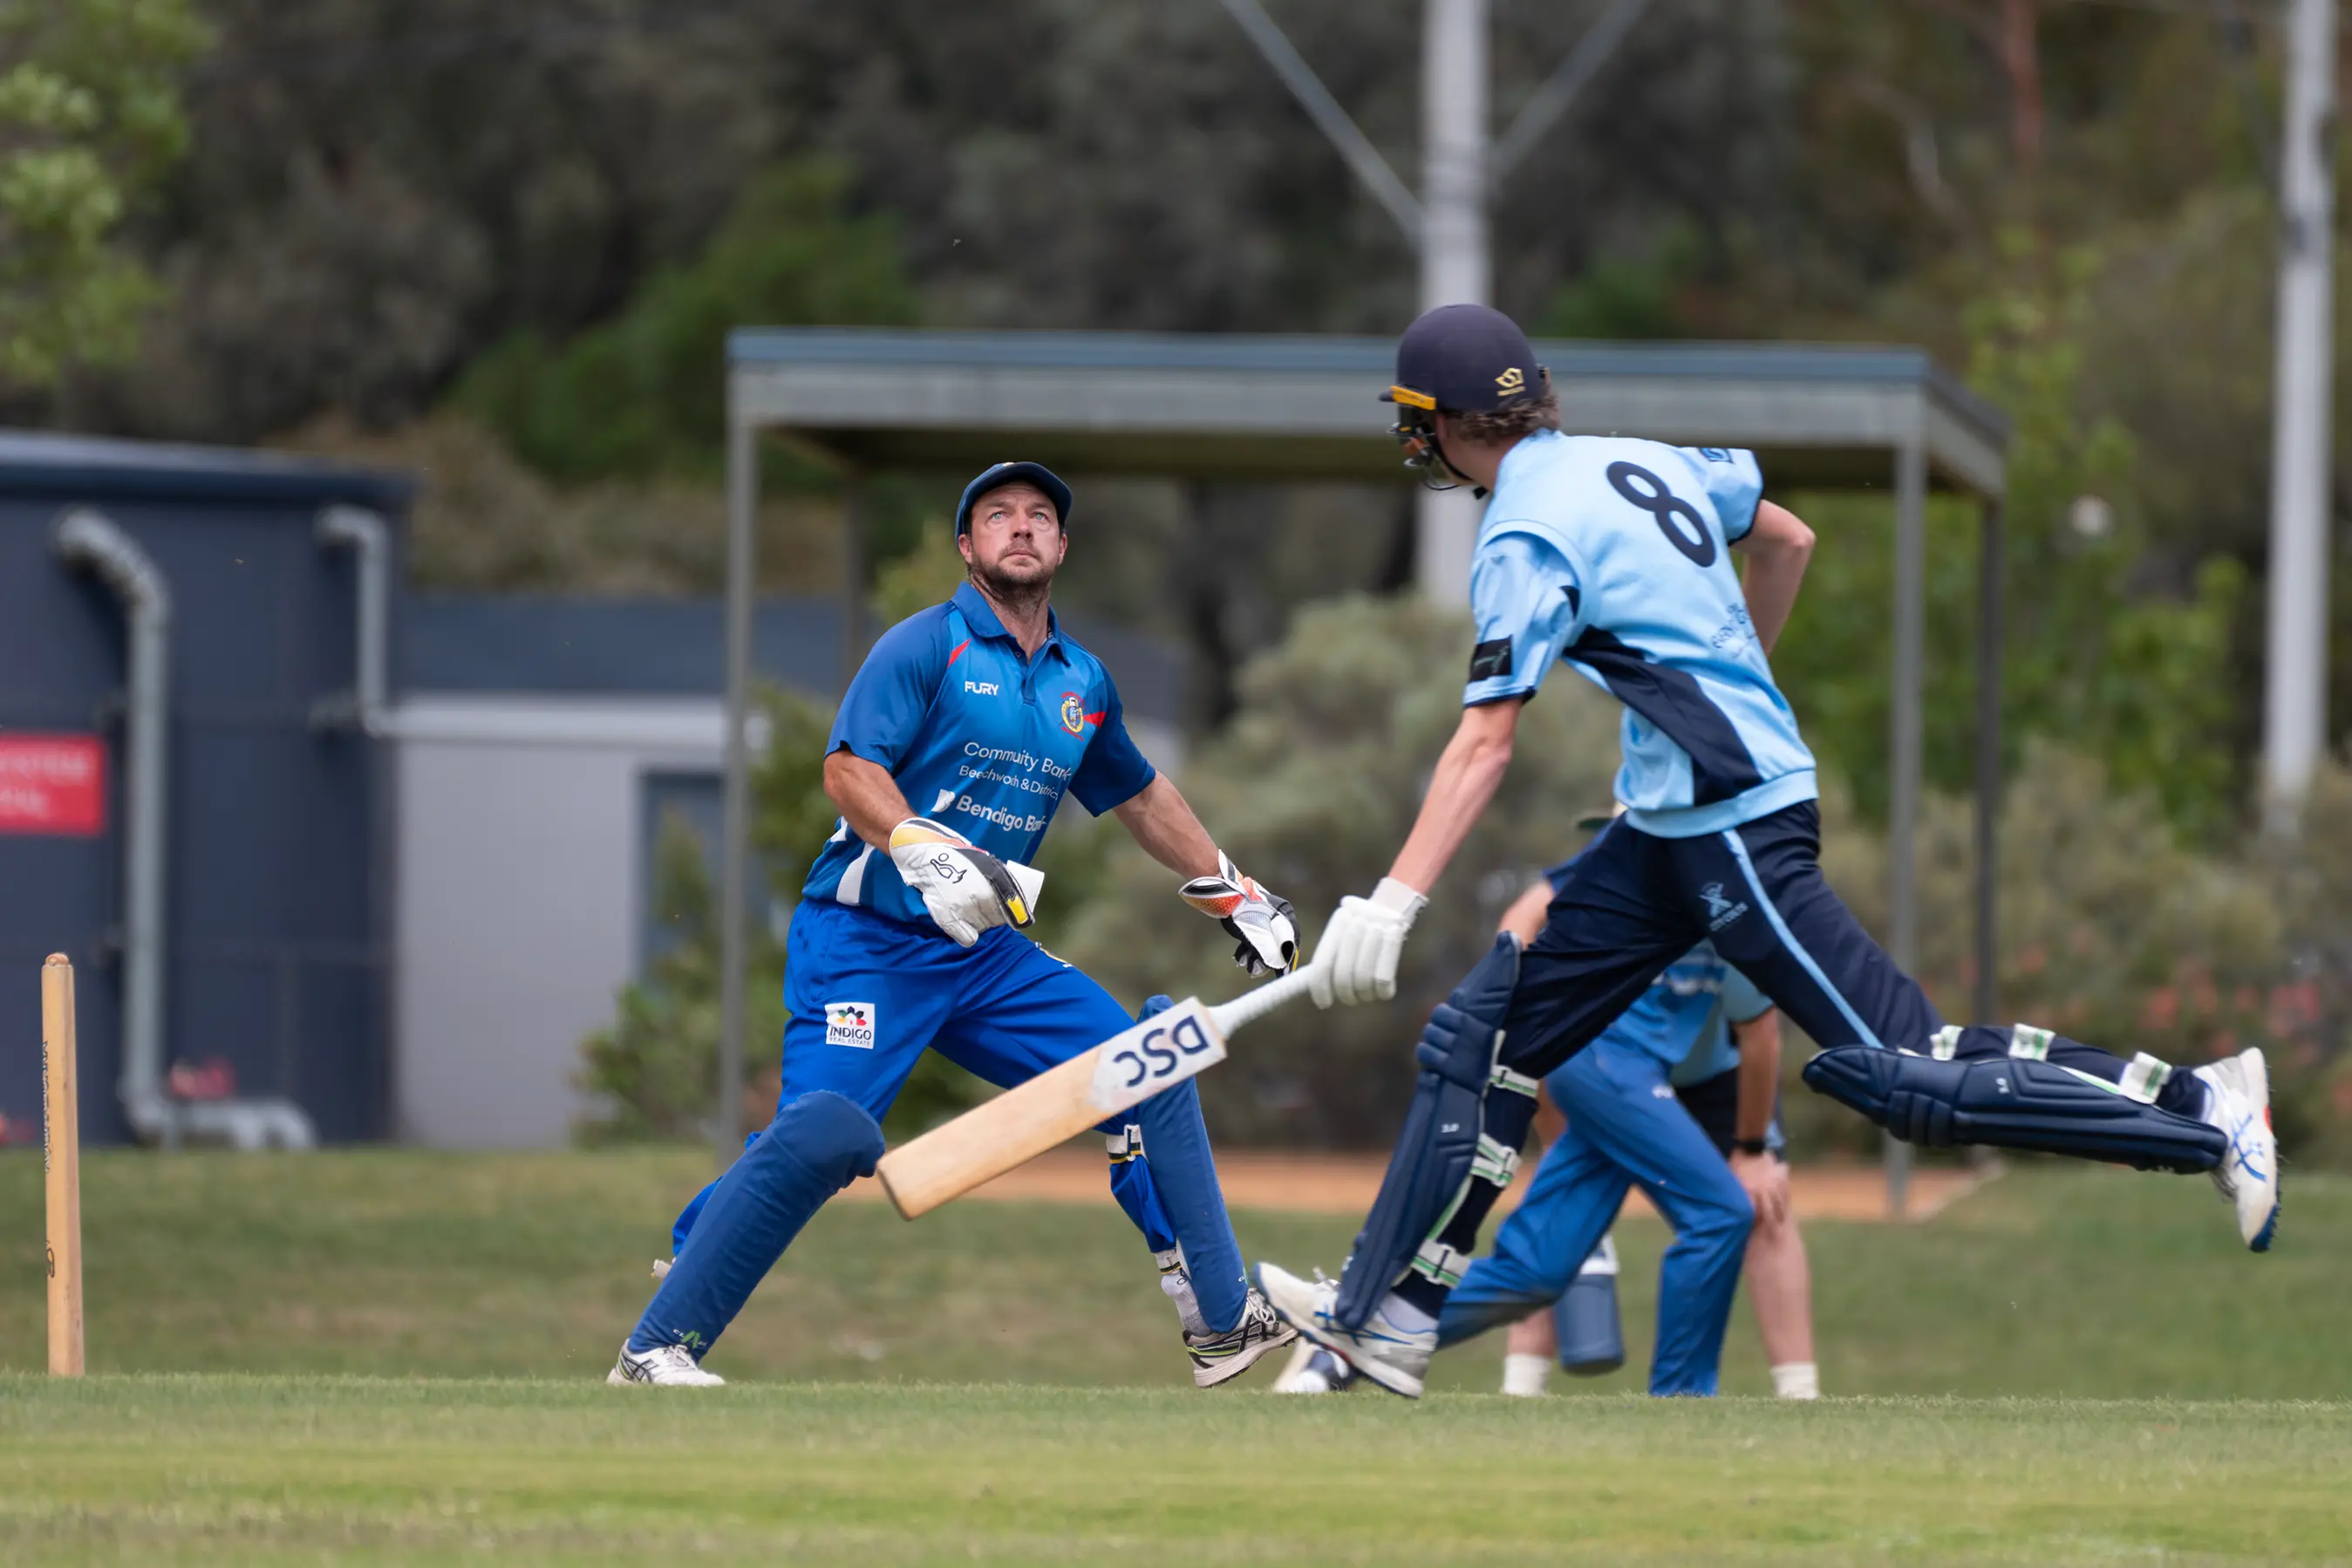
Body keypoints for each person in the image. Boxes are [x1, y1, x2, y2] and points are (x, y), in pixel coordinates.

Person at [1258, 304, 2281, 1400]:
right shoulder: (1640, 459)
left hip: (1732, 821)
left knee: (1902, 1068)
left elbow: (1486, 738)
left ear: (1445, 423)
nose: (1413, 439)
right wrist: (1722, 696)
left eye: (1416, 419)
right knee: (1486, 1037)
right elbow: (1787, 537)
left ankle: (2202, 1113)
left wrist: (1396, 897)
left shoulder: (1521, 532)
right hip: (1671, 824)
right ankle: (1389, 1311)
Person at [612, 460, 1300, 1387]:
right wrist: (913, 844)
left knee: (1152, 1061)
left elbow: (1137, 794)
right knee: (826, 1132)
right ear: (967, 546)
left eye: (1039, 517)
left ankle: (1221, 1321)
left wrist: (1231, 888)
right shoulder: (923, 645)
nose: (1020, 528)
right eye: (997, 516)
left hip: (986, 957)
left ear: (1062, 545)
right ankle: (657, 1346)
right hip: (866, 943)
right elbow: (848, 771)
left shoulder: (1081, 681)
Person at [1278, 869, 1817, 1401]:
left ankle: (1349, 1337)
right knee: (1722, 1213)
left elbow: (1760, 1031)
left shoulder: (1735, 902)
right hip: (1601, 1060)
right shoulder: (1635, 860)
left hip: (1629, 1077)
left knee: (1533, 1272)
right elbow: (1529, 912)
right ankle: (1685, 1399)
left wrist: (1753, 1151)